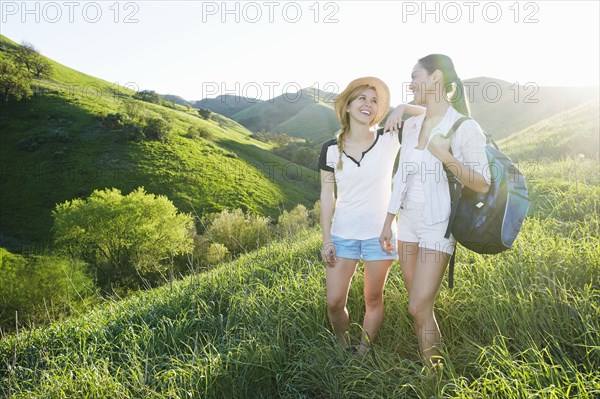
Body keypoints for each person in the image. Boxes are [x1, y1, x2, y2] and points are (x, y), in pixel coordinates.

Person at [379, 54, 490, 367]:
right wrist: (389, 221)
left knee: (417, 305)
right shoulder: (413, 125)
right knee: (420, 305)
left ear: (436, 78)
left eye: (416, 75)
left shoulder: (464, 127)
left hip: (437, 226)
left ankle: (436, 374)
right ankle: (433, 369)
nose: (411, 82)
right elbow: (401, 176)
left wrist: (446, 156)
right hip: (407, 224)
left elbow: (483, 183)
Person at [319, 77, 423, 355]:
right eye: (362, 98)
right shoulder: (330, 149)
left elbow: (437, 118)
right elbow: (327, 197)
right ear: (349, 106)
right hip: (343, 235)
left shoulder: (391, 137)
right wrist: (327, 239)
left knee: (373, 298)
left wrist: (403, 107)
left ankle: (363, 354)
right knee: (333, 302)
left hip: (382, 236)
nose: (369, 104)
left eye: (374, 100)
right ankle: (343, 346)